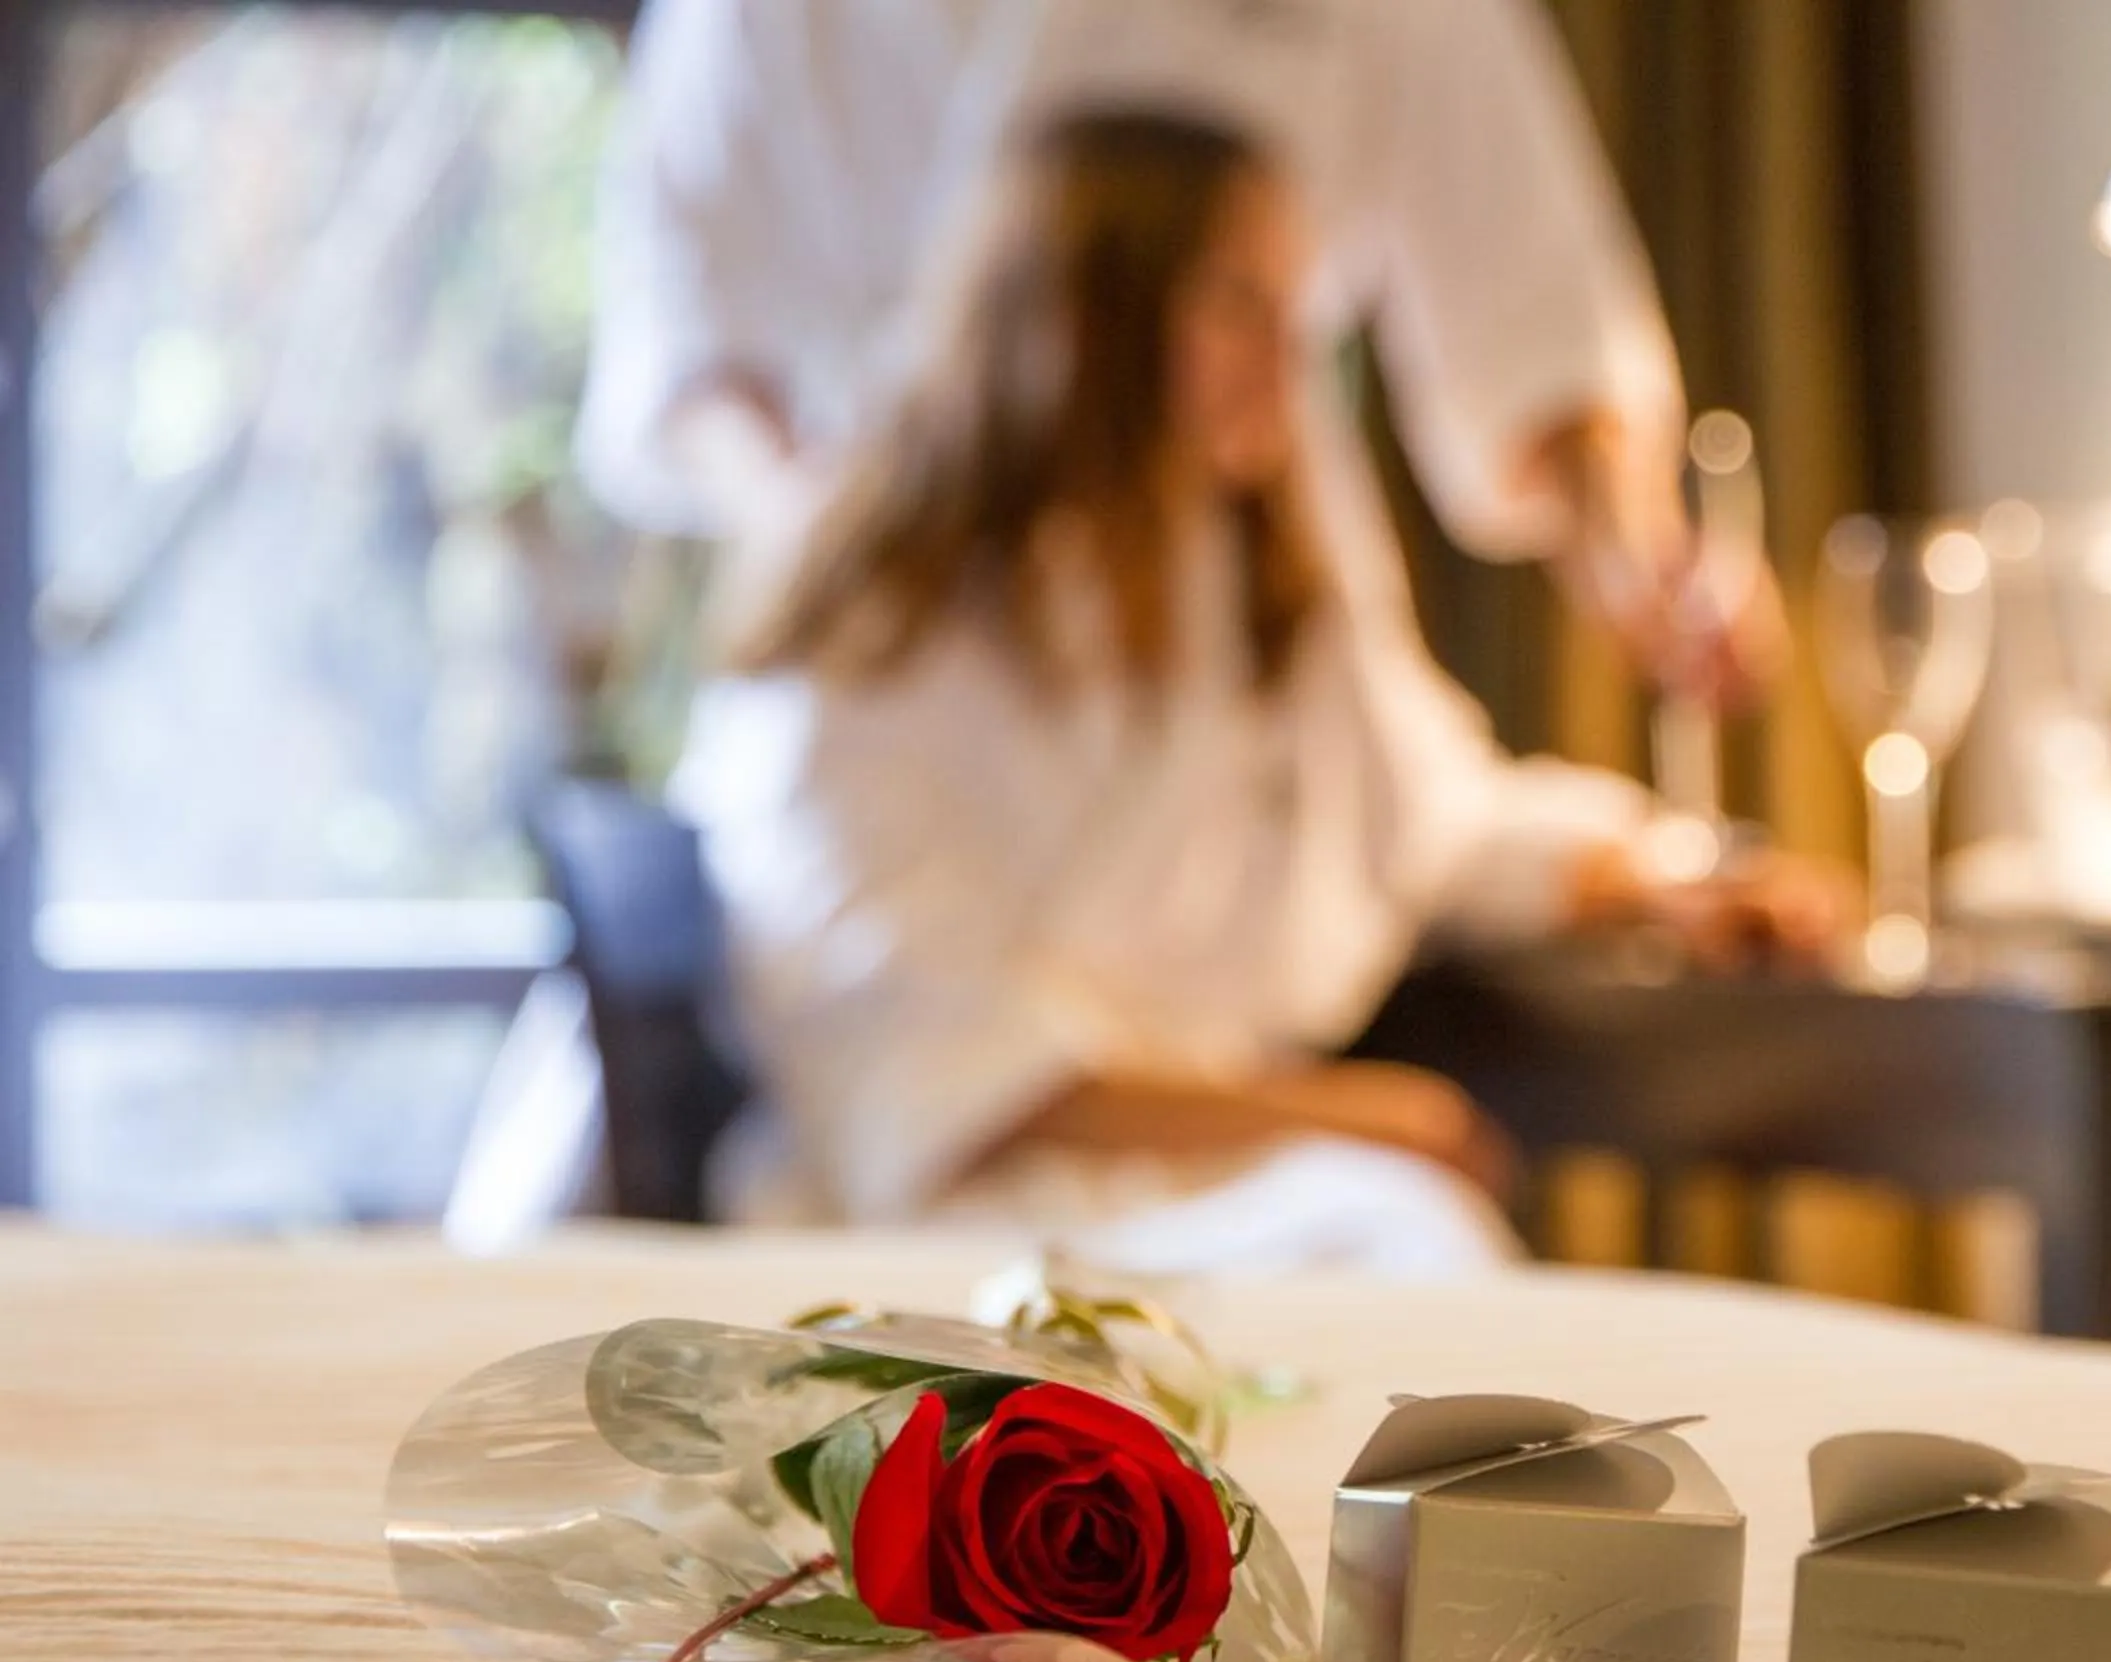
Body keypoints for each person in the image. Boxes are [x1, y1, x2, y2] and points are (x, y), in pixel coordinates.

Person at [677, 114, 1838, 1272]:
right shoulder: (870, 630)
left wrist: (1668, 874)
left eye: (1295, 301)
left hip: (1230, 1188)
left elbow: (1431, 816)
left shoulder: (1252, 593)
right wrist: (1334, 1114)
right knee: (1408, 1235)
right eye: (1236, 298)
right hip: (954, 1227)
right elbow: (920, 1055)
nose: (1286, 347)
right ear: (1085, 313)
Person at [580, 0, 1784, 705]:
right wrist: (870, 563)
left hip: (1236, 669)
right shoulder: (756, 24)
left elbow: (1531, 305)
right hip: (900, 654)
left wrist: (1640, 564)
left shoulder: (1304, 705)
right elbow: (694, 342)